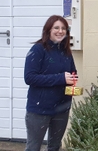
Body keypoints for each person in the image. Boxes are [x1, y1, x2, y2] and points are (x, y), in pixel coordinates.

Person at [24, 15, 77, 151]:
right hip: (39, 109)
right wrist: (60, 78)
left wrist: (73, 80)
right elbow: (29, 78)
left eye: (63, 28)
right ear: (48, 30)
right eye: (56, 28)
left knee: (54, 146)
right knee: (33, 147)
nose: (60, 31)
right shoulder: (38, 49)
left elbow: (72, 72)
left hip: (61, 108)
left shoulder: (66, 52)